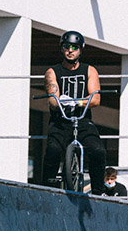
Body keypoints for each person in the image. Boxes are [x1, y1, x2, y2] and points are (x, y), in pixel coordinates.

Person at [43, 31, 106, 194]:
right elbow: (52, 99)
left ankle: (99, 191)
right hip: (60, 121)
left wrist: (78, 102)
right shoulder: (52, 72)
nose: (70, 50)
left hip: (82, 120)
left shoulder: (89, 70)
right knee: (53, 151)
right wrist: (59, 102)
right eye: (67, 46)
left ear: (80, 49)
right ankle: (45, 190)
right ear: (61, 48)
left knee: (98, 150)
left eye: (74, 47)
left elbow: (95, 99)